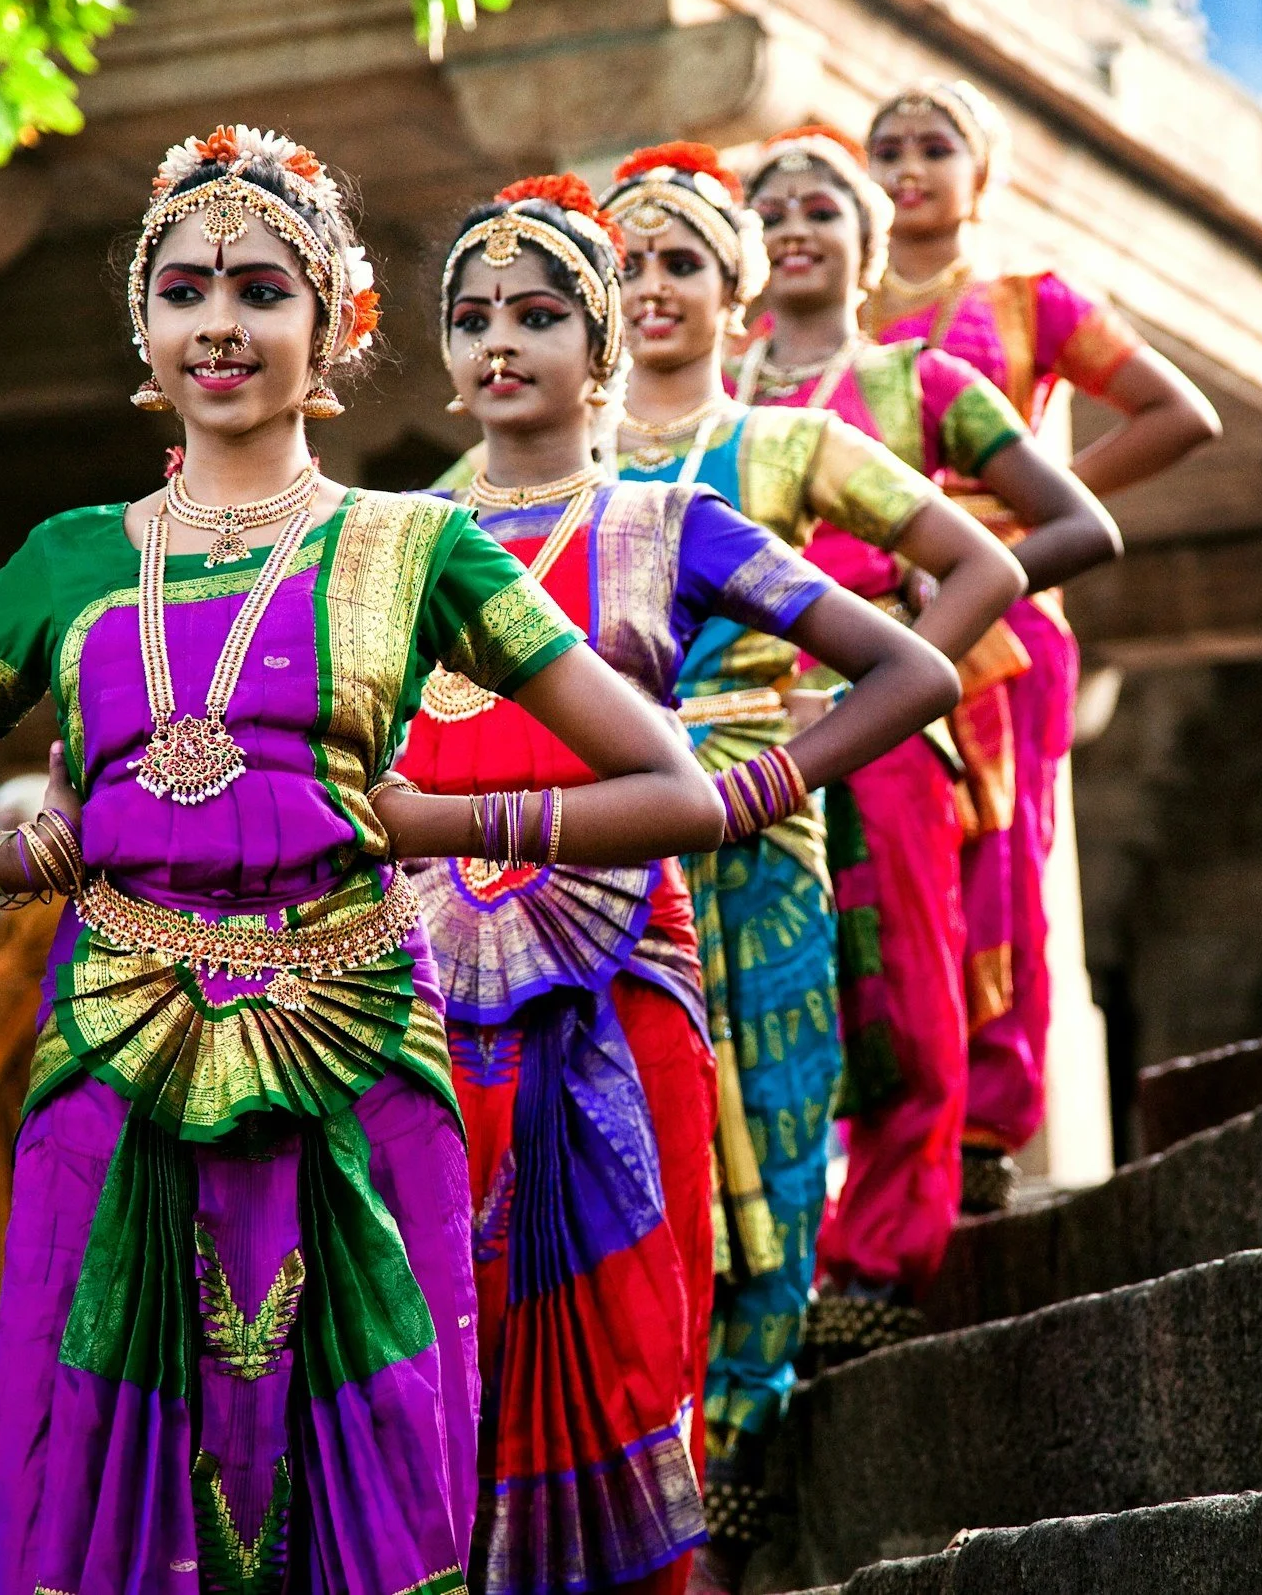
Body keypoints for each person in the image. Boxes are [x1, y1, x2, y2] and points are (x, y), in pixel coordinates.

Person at [0, 126, 725, 1595]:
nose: (218, 323)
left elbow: (668, 783)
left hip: (360, 1045)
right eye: (182, 291)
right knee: (95, 1474)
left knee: (389, 1477)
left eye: (258, 288)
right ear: (145, 330)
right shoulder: (67, 560)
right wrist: (27, 849)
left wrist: (450, 821)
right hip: (114, 1058)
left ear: (336, 325)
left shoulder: (417, 546)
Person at [394, 173, 965, 1595]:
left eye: (536, 314)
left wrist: (756, 785)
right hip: (425, 980)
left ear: (601, 348)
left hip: (623, 963)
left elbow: (915, 663)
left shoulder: (668, 520)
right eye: (471, 320)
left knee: (634, 1323)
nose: (499, 345)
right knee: (443, 1334)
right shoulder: (390, 541)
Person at [597, 142, 1025, 1581]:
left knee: (773, 1142)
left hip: (760, 814)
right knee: (624, 1156)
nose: (651, 291)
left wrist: (805, 747)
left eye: (680, 266)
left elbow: (990, 568)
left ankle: (743, 1447)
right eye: (628, 266)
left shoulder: (782, 442)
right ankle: (643, 1454)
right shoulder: (517, 473)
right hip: (599, 857)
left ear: (736, 299)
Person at [731, 124, 1121, 1351]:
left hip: (885, 709)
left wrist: (917, 612)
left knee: (903, 979)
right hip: (726, 725)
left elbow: (1066, 527)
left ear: (867, 251)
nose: (796, 223)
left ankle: (885, 1251)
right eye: (773, 208)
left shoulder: (922, 382)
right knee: (761, 1005)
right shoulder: (714, 400)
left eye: (824, 207)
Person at [863, 80, 1221, 1212]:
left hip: (1007, 613)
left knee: (1001, 858)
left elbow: (1177, 412)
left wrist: (1021, 512)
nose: (907, 168)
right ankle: (889, 1123)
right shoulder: (830, 315)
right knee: (881, 869)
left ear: (985, 170)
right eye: (886, 149)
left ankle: (984, 1125)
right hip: (862, 612)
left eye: (933, 147)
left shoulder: (1031, 299)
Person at [0, 774, 63, 1314]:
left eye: (8, 831)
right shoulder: (15, 900)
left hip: (31, 1066)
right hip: (0, 1071)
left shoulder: (56, 899)